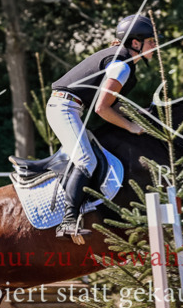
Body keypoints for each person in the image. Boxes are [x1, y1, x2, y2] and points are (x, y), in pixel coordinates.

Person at [47, 14, 157, 240]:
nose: (156, 45)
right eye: (151, 41)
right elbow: (102, 109)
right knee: (87, 160)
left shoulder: (122, 63)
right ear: (135, 43)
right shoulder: (122, 66)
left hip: (70, 108)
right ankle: (68, 222)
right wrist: (131, 127)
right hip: (64, 108)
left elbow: (113, 106)